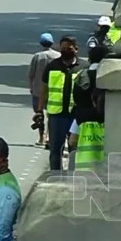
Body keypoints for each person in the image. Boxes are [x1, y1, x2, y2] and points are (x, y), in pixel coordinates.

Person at [38, 36, 87, 171]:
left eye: (68, 48)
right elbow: (44, 89)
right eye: (63, 48)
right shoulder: (52, 66)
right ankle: (55, 175)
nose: (65, 51)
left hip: (76, 115)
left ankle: (72, 175)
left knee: (74, 149)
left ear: (76, 49)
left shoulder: (83, 67)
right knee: (55, 149)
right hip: (57, 115)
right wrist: (39, 110)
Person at [68, 72, 106, 171]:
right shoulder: (112, 118)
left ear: (93, 100)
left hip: (84, 168)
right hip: (107, 167)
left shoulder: (81, 117)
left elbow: (72, 141)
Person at [28, 33, 60, 146]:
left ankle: (41, 137)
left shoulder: (37, 56)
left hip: (38, 90)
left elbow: (31, 74)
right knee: (52, 115)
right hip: (54, 91)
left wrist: (31, 87)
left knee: (39, 114)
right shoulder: (58, 56)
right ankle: (50, 138)